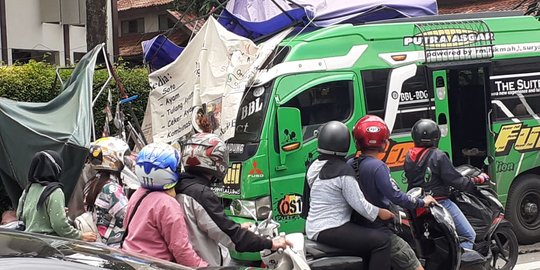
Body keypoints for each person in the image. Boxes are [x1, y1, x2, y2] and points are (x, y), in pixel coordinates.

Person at [175, 132, 290, 266]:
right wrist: (271, 244)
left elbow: (210, 225)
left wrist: (239, 226)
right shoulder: (200, 194)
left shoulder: (179, 187)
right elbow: (233, 238)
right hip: (208, 265)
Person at [348, 115, 437, 270]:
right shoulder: (378, 167)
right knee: (414, 265)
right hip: (379, 229)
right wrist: (423, 202)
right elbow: (396, 197)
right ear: (384, 142)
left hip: (359, 230)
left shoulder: (351, 163)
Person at [305, 121, 394, 270]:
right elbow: (359, 204)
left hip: (313, 226)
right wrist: (381, 212)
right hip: (332, 227)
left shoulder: (314, 166)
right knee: (382, 241)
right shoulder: (343, 171)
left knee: (366, 242)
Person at [404, 119, 489, 250]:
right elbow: (456, 181)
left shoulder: (409, 156)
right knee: (469, 235)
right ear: (435, 137)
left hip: (418, 204)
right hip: (439, 203)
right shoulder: (438, 156)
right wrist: (476, 182)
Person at [122, 143, 208, 267]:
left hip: (129, 260)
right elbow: (180, 249)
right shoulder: (167, 204)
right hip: (154, 265)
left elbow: (127, 225)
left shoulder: (138, 194)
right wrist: (202, 267)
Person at [17, 150, 96, 241]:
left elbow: (20, 215)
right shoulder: (54, 191)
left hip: (30, 241)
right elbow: (59, 225)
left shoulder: (28, 190)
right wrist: (80, 236)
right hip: (49, 245)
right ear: (55, 168)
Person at [84, 137, 130, 246]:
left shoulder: (92, 183)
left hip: (97, 241)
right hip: (111, 246)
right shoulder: (111, 189)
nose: (126, 160)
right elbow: (127, 217)